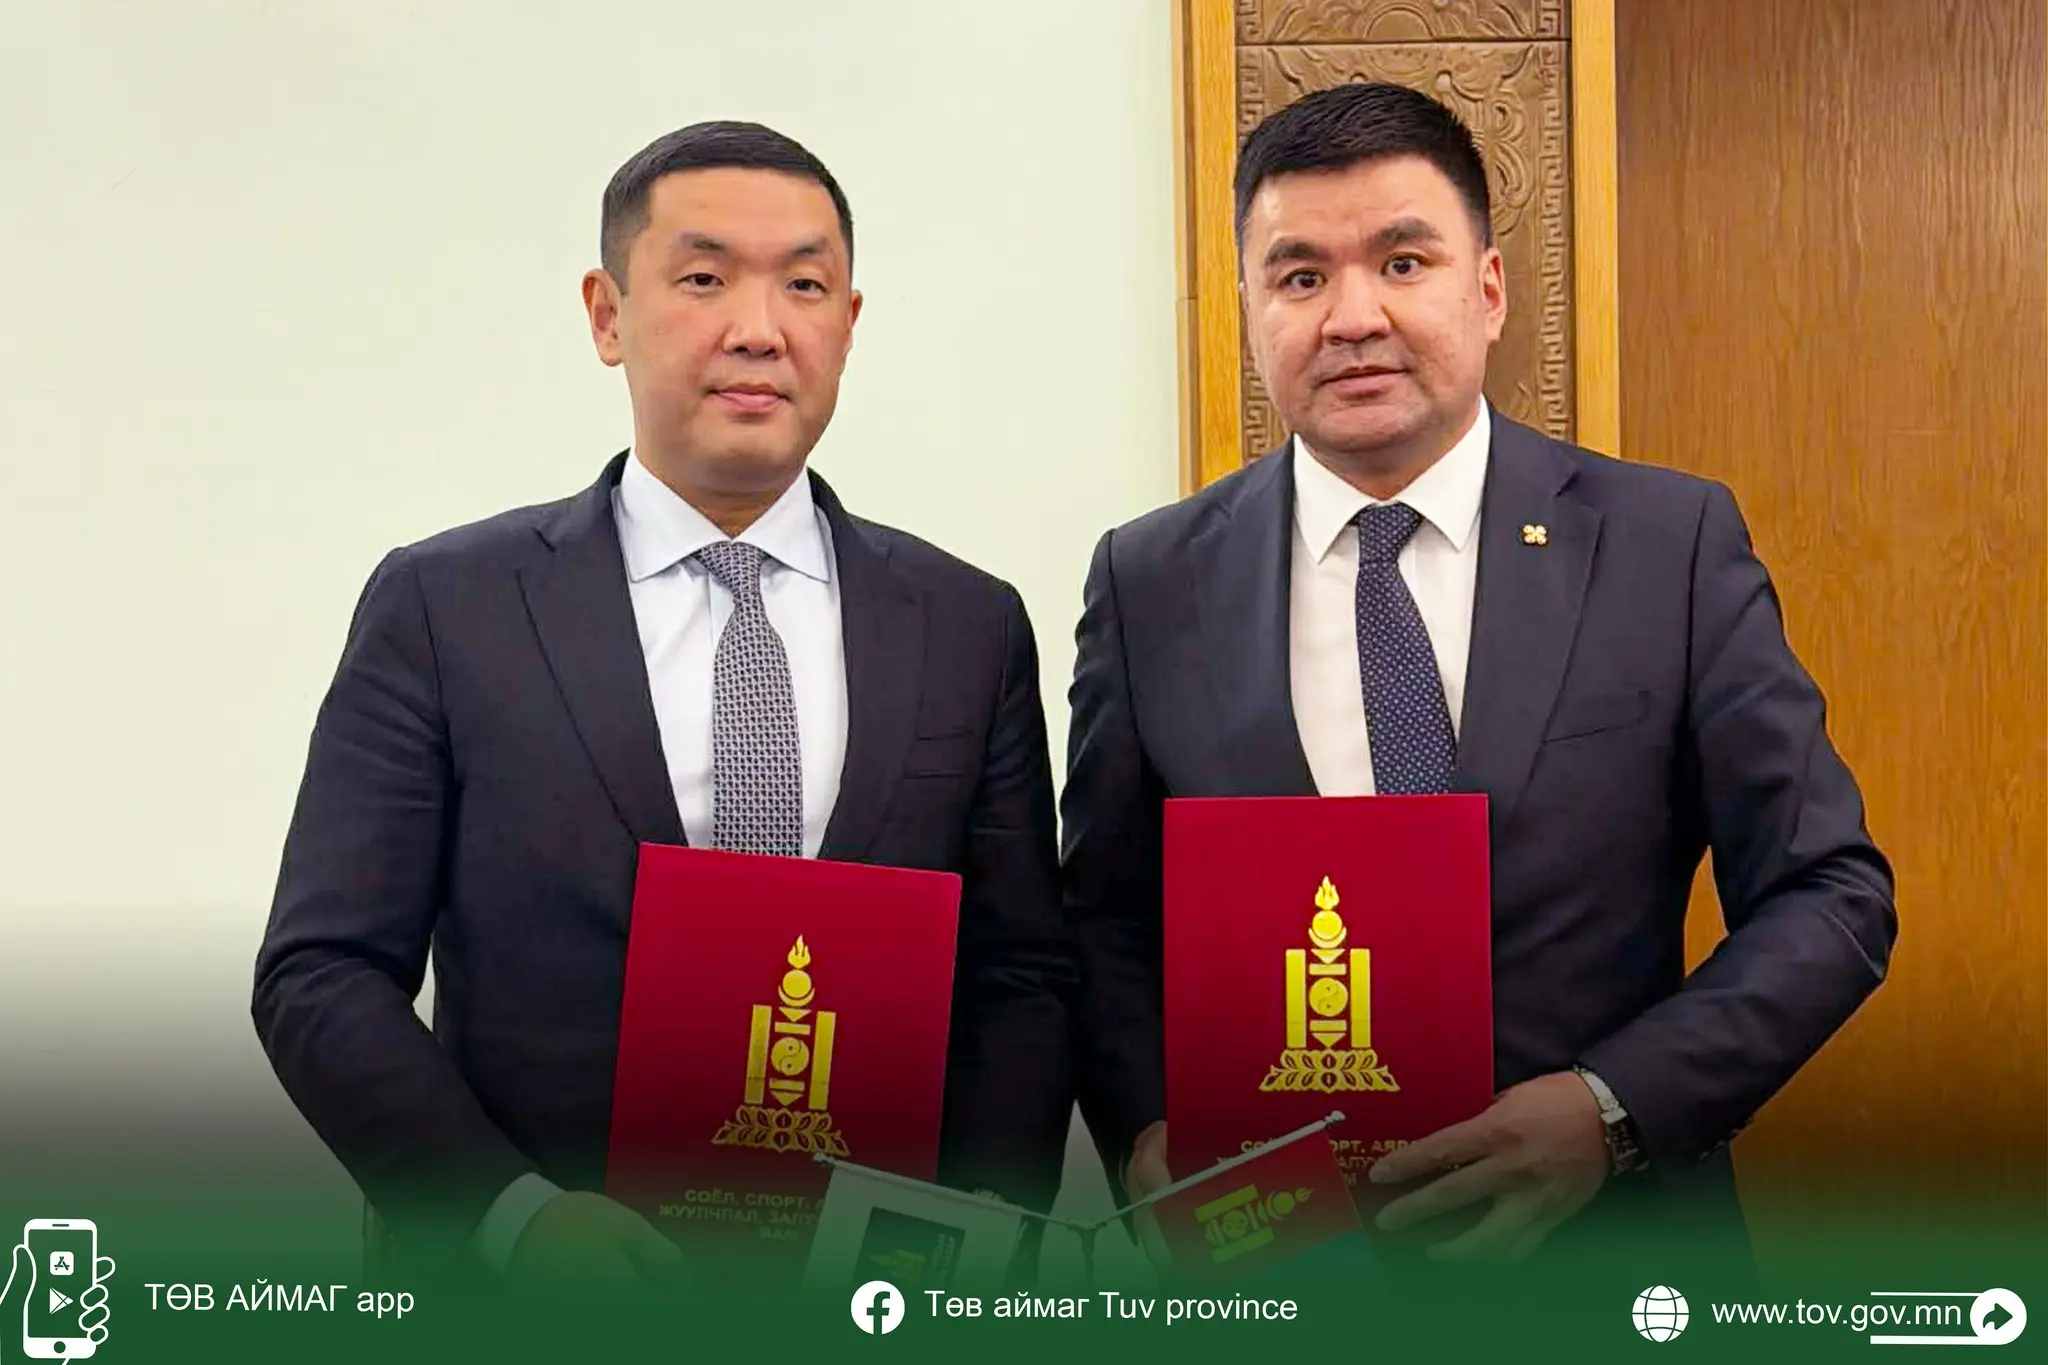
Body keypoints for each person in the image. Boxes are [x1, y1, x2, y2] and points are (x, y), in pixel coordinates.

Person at [1062, 83, 1895, 1266]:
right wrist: (1146, 1132)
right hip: (1282, 1272)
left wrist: (1612, 1109)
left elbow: (1829, 893)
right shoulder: (1150, 580)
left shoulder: (1664, 547)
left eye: (1402, 263)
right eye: (1299, 277)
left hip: (1610, 1268)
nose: (1352, 316)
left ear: (1489, 290)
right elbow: (1101, 921)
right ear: (1248, 309)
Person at [253, 121, 1072, 1288]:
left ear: (848, 322)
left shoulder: (964, 624)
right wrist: (515, 1221)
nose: (758, 328)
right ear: (607, 315)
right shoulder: (447, 606)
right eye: (702, 279)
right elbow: (321, 974)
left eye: (803, 286)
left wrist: (961, 1241)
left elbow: (1018, 978)